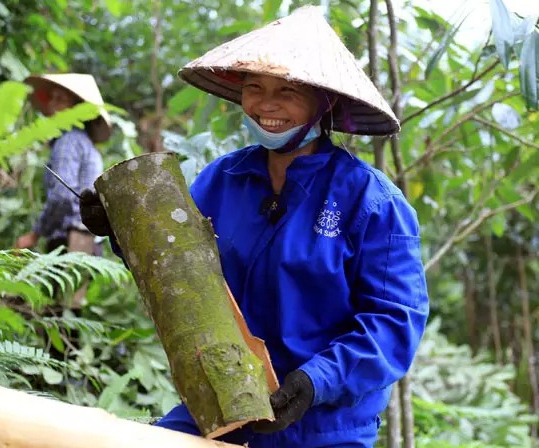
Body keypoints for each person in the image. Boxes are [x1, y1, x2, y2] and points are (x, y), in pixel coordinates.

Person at [80, 6, 429, 447]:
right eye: (254, 87)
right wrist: (119, 229)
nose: (266, 105)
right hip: (225, 407)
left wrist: (312, 382)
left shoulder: (372, 202)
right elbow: (178, 272)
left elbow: (393, 324)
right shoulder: (222, 179)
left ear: (325, 100)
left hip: (324, 426)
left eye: (287, 90)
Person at [15, 73, 111, 310]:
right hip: (86, 242)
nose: (51, 106)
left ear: (77, 108)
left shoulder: (68, 141)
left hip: (71, 240)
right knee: (69, 319)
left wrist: (34, 235)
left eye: (61, 100)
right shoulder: (85, 144)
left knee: (58, 321)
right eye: (52, 99)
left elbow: (62, 196)